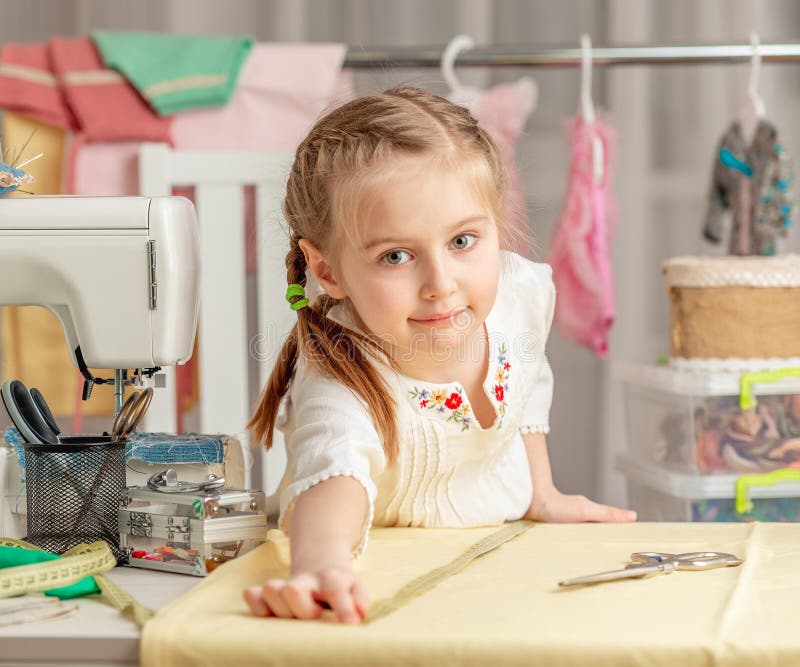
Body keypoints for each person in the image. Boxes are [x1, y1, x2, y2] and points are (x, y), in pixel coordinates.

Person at [243, 86, 636, 624]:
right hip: (390, 581)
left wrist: (540, 492)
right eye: (396, 255)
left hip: (497, 572)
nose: (440, 284)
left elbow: (527, 380)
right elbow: (333, 465)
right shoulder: (345, 371)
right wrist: (321, 563)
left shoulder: (520, 294)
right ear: (328, 270)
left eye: (462, 241)